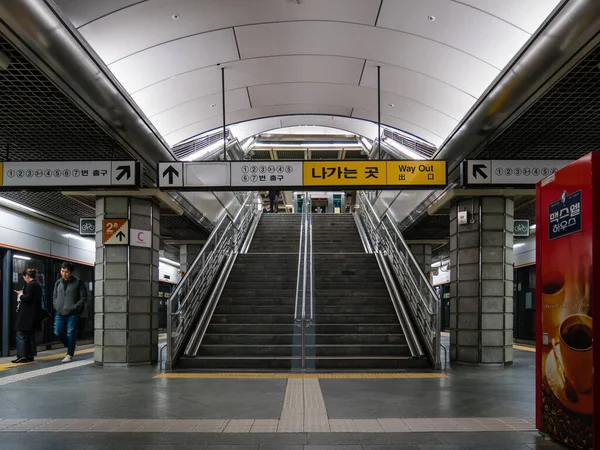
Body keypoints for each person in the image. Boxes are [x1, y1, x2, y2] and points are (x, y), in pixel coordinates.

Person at [53, 261, 87, 363]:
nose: (64, 273)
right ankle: (71, 345)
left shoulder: (78, 282)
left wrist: (75, 307)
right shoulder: (58, 283)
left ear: (71, 272)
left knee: (71, 333)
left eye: (66, 272)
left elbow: (83, 297)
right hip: (60, 312)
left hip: (72, 313)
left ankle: (69, 354)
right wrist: (56, 306)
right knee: (57, 331)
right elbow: (54, 296)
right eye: (62, 271)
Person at [12, 268, 43, 364]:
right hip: (33, 316)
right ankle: (30, 355)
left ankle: (22, 356)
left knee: (20, 334)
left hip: (26, 316)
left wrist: (21, 295)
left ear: (27, 276)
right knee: (30, 336)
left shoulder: (30, 285)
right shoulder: (37, 285)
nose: (24, 279)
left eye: (24, 277)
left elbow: (28, 298)